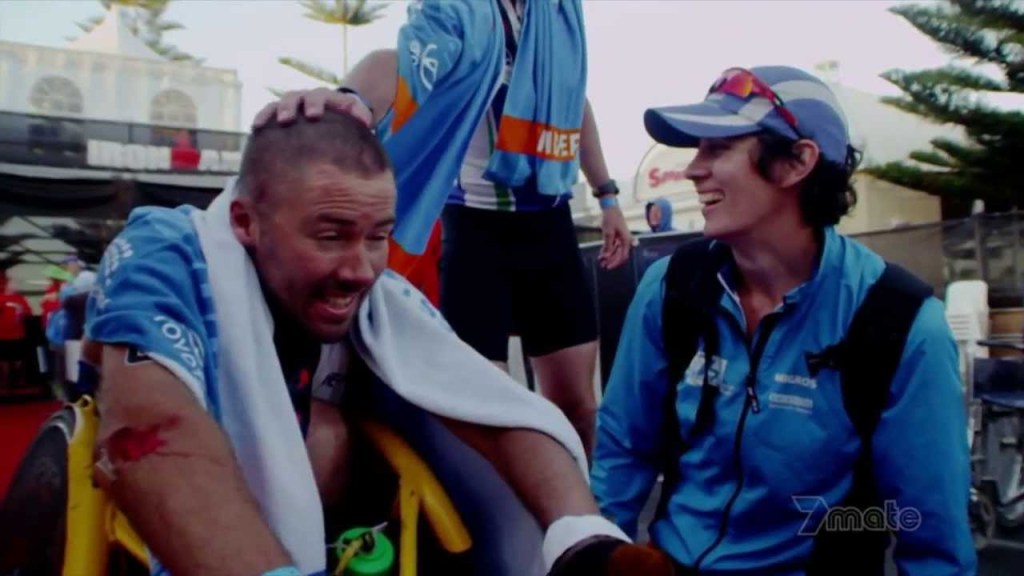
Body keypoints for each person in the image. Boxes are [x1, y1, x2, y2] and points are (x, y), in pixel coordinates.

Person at [82, 108, 670, 576]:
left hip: (347, 523)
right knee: (322, 438)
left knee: (336, 438)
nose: (361, 269)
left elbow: (494, 407)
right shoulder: (169, 253)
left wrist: (584, 539)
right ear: (244, 222)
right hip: (154, 521)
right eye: (330, 235)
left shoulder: (384, 297)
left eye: (377, 236)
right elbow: (151, 430)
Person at [592, 66, 976, 574]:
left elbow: (930, 536)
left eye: (718, 148)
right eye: (697, 150)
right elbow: (623, 452)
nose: (693, 170)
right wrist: (596, 556)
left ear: (797, 162)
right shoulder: (672, 287)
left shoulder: (901, 323)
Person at [256, 0, 633, 460]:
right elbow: (406, 61)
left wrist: (608, 197)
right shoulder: (460, 9)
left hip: (551, 222)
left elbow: (574, 103)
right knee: (489, 410)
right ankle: (507, 507)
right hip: (476, 226)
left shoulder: (557, 14)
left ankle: (582, 501)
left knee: (578, 408)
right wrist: (351, 98)